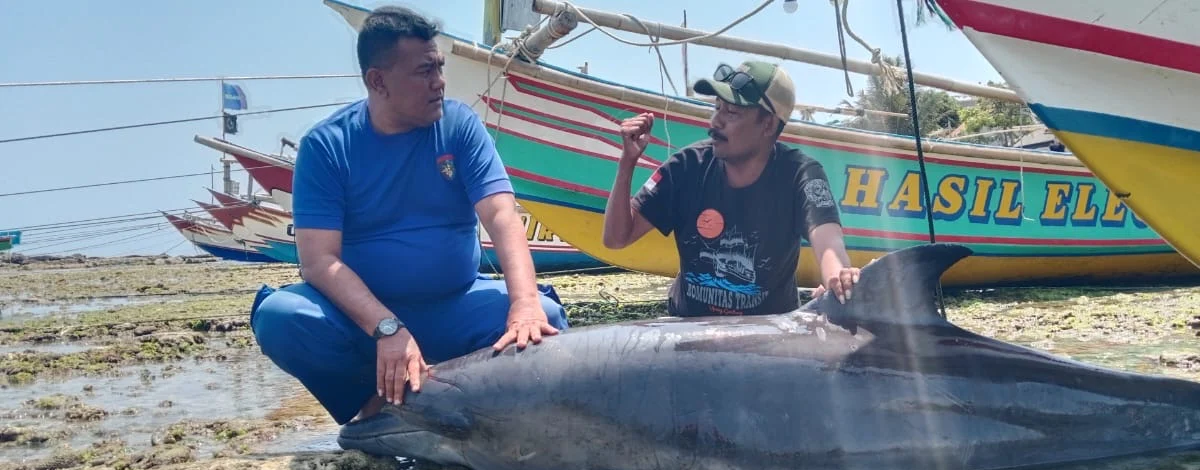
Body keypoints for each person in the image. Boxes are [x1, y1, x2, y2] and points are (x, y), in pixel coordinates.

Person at [249, 5, 567, 427]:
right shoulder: (327, 146)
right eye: (424, 72)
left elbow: (502, 215)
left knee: (544, 319)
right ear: (377, 81)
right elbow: (318, 261)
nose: (440, 83)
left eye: (439, 67)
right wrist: (386, 328)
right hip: (361, 321)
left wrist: (525, 303)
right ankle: (376, 408)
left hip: (455, 305)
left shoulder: (459, 126)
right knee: (281, 319)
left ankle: (481, 415)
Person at [602, 60, 860, 317]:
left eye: (731, 113)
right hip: (686, 331)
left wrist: (838, 278)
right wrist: (627, 163)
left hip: (770, 336)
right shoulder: (686, 167)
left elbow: (829, 246)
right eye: (716, 108)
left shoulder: (801, 175)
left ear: (768, 124)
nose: (716, 122)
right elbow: (616, 239)